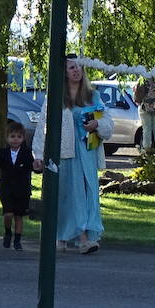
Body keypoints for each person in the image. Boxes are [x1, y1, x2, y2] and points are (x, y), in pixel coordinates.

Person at [34, 55, 114, 255]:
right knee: (65, 194)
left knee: (85, 194)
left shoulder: (92, 96)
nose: (76, 70)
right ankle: (62, 235)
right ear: (64, 72)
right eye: (71, 67)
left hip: (86, 152)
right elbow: (44, 125)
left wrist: (97, 124)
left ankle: (84, 238)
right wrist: (38, 153)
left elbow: (108, 123)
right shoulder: (55, 96)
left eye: (78, 67)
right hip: (64, 153)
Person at [0, 121, 36, 251]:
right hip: (6, 189)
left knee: (19, 216)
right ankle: (8, 232)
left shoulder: (27, 153)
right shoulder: (3, 153)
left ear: (23, 138)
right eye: (12, 136)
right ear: (7, 138)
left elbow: (33, 167)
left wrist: (38, 168)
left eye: (19, 137)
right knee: (8, 214)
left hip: (22, 190)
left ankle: (17, 240)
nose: (15, 140)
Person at [134, 76, 155, 154]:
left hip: (145, 107)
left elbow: (137, 95)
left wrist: (138, 102)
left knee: (146, 129)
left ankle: (147, 150)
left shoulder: (143, 78)